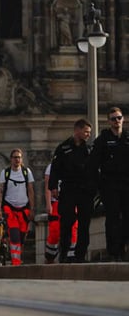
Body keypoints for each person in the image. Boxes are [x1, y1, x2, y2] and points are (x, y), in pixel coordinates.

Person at [48, 118, 93, 263]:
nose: (88, 135)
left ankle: (80, 254)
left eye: (89, 132)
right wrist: (53, 187)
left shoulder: (89, 149)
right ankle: (65, 252)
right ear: (77, 130)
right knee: (67, 222)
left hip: (84, 190)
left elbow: (93, 170)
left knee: (84, 223)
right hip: (68, 189)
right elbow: (55, 169)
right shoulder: (63, 148)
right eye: (86, 132)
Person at [88, 107, 129, 261]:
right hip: (110, 185)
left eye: (118, 118)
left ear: (123, 119)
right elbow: (93, 165)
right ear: (108, 121)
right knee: (112, 218)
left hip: (127, 184)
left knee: (127, 218)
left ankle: (123, 247)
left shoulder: (127, 137)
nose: (116, 121)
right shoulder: (103, 140)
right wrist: (99, 185)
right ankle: (114, 251)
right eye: (113, 119)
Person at [0, 148, 35, 266]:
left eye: (19, 157)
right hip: (10, 208)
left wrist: (32, 209)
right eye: (15, 157)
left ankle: (14, 253)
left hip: (24, 209)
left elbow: (31, 191)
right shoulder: (5, 173)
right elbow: (0, 191)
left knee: (22, 236)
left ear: (22, 159)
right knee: (15, 235)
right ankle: (16, 262)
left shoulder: (27, 172)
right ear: (11, 159)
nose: (17, 159)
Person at [44, 163, 76, 264]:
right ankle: (50, 256)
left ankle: (71, 255)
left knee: (73, 228)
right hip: (56, 202)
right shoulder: (51, 167)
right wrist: (48, 204)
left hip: (71, 200)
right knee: (55, 229)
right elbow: (47, 187)